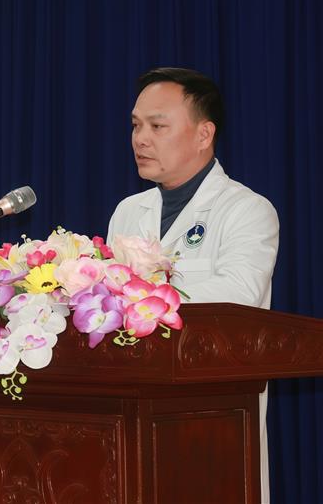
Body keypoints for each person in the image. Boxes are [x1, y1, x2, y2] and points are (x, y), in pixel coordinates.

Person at [107, 66, 279, 503]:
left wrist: (139, 296)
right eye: (136, 125)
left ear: (204, 134)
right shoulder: (128, 211)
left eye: (157, 126)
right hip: (131, 416)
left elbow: (239, 299)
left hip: (210, 422)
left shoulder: (246, 210)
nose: (140, 139)